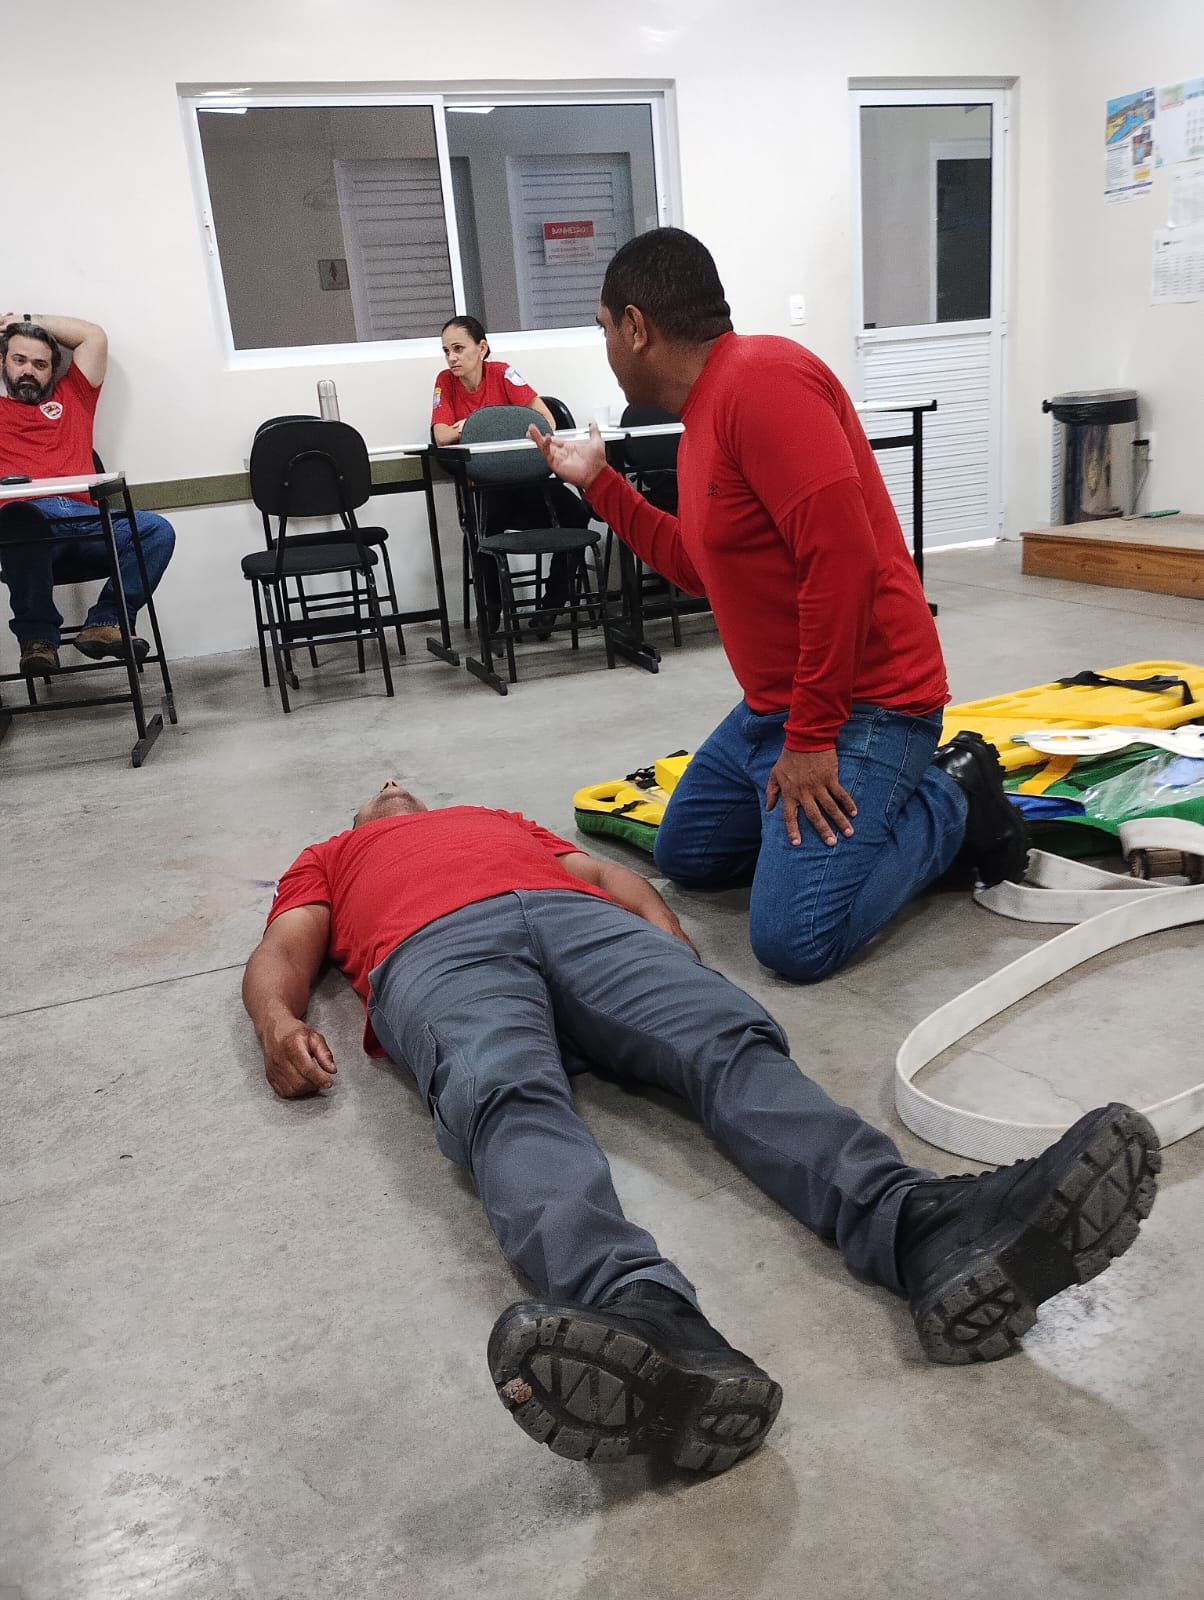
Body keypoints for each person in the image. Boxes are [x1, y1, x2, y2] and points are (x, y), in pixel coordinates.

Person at [243, 779, 1160, 1476]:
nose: (395, 788)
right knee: (504, 1095)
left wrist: (668, 953)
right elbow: (287, 946)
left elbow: (605, 875)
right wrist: (280, 1024)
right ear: (366, 818)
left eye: (405, 786)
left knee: (726, 1044)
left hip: (580, 925)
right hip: (435, 952)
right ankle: (644, 1327)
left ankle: (925, 1228)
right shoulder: (332, 854)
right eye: (382, 793)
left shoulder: (495, 819)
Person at [529, 230, 1029, 983]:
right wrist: (601, 487)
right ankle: (841, 821)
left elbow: (846, 562)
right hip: (776, 709)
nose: (604, 344)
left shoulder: (763, 383)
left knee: (794, 941)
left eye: (603, 327)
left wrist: (811, 735)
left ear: (637, 327)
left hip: (871, 705)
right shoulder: (705, 414)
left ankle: (951, 794)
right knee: (687, 856)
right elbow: (702, 568)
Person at [0, 315, 176, 676]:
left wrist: (25, 319)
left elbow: (92, 337)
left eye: (40, 363)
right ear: (3, 362)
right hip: (30, 526)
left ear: (52, 369)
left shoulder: (74, 396)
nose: (29, 371)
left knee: (156, 530)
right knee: (18, 521)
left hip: (87, 520)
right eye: (19, 360)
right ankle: (38, 640)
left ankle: (108, 619)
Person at [431, 315, 592, 635]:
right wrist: (474, 426)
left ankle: (551, 606)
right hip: (487, 489)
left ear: (482, 348)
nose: (451, 357)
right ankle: (492, 618)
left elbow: (547, 421)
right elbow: (441, 436)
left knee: (577, 514)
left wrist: (470, 425)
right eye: (446, 350)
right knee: (483, 537)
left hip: (530, 482)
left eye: (459, 349)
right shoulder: (444, 382)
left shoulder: (505, 373)